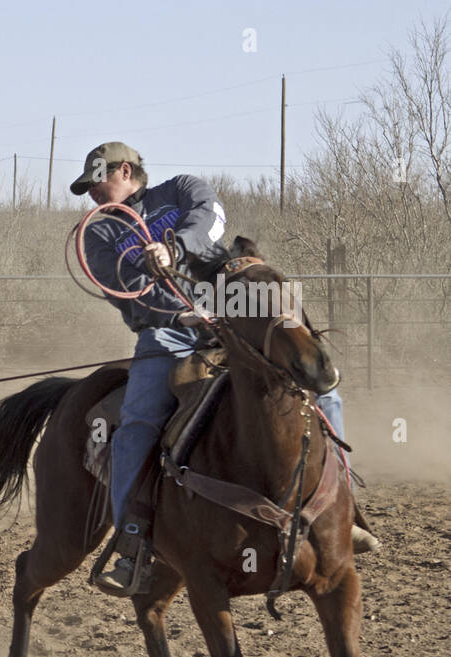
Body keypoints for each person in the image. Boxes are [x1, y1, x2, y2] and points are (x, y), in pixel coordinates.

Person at [70, 142, 377, 596]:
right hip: (167, 333)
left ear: (124, 170)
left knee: (319, 389)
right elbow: (123, 288)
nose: (92, 193)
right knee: (138, 422)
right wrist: (177, 313)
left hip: (231, 310)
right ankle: (131, 541)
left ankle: (342, 508)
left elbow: (209, 217)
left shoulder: (180, 189)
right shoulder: (97, 233)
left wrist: (173, 248)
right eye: (88, 187)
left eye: (96, 181)